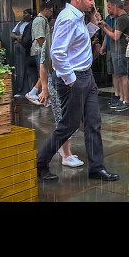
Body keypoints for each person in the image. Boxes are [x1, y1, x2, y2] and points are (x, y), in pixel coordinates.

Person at [36, 0, 119, 182]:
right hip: (74, 78)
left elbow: (78, 42)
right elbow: (57, 53)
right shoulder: (67, 18)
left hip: (86, 76)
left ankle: (97, 168)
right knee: (68, 125)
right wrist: (71, 80)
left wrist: (93, 25)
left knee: (93, 122)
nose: (93, 3)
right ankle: (40, 163)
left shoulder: (77, 17)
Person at [37, 11, 83, 168]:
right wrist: (44, 89)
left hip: (67, 83)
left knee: (68, 119)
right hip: (58, 84)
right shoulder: (50, 42)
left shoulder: (63, 40)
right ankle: (65, 154)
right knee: (64, 119)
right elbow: (43, 65)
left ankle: (65, 151)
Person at [101, 0, 129, 112]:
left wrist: (104, 30)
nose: (109, 10)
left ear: (115, 6)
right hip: (117, 50)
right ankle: (122, 98)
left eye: (109, 7)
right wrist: (105, 25)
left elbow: (115, 36)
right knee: (119, 75)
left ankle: (127, 100)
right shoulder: (119, 19)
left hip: (121, 51)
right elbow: (115, 31)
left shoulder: (122, 19)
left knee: (123, 75)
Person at [24, 3, 55, 105]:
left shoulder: (43, 20)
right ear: (45, 10)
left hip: (41, 51)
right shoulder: (39, 20)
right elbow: (39, 38)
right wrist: (46, 51)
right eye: (50, 11)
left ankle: (39, 94)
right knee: (45, 72)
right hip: (39, 50)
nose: (51, 13)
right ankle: (35, 93)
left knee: (45, 73)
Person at [10, 8, 35, 96]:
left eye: (26, 14)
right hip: (19, 48)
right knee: (20, 69)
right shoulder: (20, 24)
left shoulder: (33, 24)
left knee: (28, 69)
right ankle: (21, 89)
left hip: (27, 48)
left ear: (31, 15)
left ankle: (30, 89)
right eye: (23, 13)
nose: (24, 15)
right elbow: (12, 34)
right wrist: (17, 37)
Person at [100, 0, 119, 107]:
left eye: (110, 7)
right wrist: (103, 46)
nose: (108, 9)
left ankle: (120, 95)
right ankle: (116, 94)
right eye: (107, 7)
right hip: (109, 49)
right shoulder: (108, 18)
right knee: (112, 73)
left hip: (116, 49)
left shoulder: (118, 19)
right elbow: (107, 35)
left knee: (118, 73)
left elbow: (112, 33)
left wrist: (105, 26)